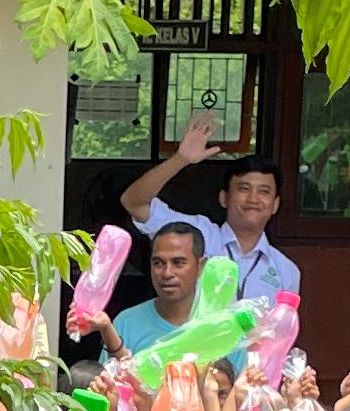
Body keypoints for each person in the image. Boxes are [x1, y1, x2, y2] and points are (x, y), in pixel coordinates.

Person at [122, 113, 300, 305]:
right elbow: (134, 203)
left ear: (275, 205)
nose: (253, 199)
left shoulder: (286, 271)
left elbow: (283, 332)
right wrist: (180, 159)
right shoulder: (197, 233)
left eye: (264, 191)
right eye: (244, 189)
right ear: (224, 198)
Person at [113, 219, 216, 357]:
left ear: (201, 266)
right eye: (158, 263)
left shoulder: (222, 325)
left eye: (178, 263)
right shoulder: (126, 323)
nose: (167, 273)